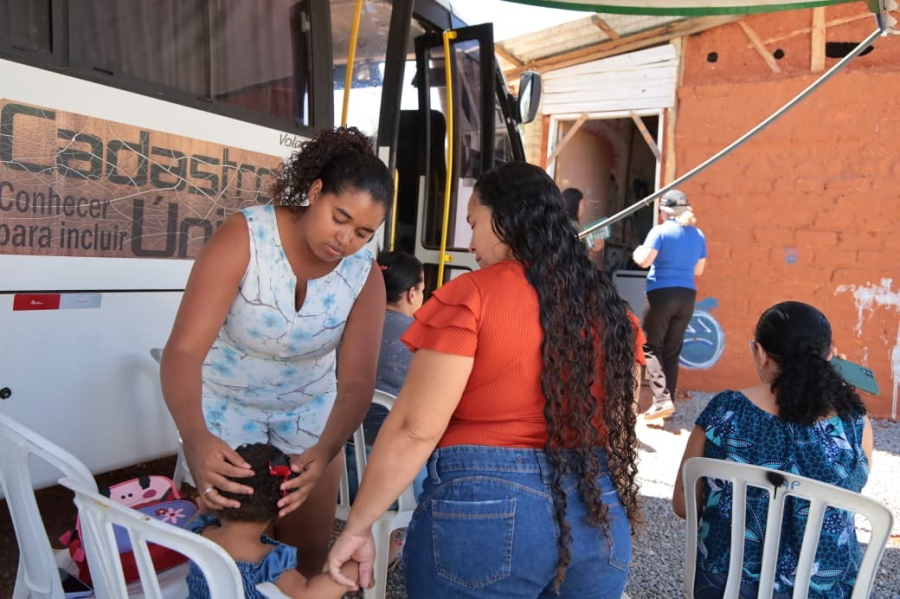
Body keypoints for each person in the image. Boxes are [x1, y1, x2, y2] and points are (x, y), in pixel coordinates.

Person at [327, 162, 644, 598]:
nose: (472, 243)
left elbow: (415, 428)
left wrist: (358, 526)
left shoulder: (472, 295)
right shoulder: (613, 310)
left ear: (505, 219)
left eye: (474, 224)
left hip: (484, 512)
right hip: (598, 511)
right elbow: (624, 413)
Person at [160, 126, 393, 578]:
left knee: (304, 555)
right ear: (316, 191)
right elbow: (184, 351)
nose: (345, 240)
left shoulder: (365, 274)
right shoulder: (245, 236)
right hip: (224, 411)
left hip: (310, 415)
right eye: (339, 217)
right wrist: (196, 435)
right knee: (223, 555)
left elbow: (359, 382)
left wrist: (325, 451)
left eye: (364, 232)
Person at [672, 302, 873, 598]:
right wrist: (840, 389)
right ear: (830, 355)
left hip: (727, 587)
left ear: (762, 353)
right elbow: (852, 489)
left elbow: (684, 504)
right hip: (823, 590)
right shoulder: (854, 421)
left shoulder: (725, 411)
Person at [185, 443, 362, 598]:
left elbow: (202, 513)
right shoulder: (269, 562)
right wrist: (353, 567)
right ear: (282, 510)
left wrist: (206, 507)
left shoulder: (201, 530)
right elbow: (308, 595)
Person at [347, 250, 427, 502]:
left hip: (339, 473)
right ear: (412, 293)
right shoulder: (424, 340)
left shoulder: (344, 329)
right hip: (397, 481)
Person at [632, 189, 706, 420]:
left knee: (652, 347)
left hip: (661, 292)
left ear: (664, 211)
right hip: (687, 295)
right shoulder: (698, 235)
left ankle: (662, 400)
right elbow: (699, 270)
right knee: (672, 351)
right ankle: (667, 405)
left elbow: (645, 261)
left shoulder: (660, 231)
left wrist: (637, 252)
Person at [563, 187, 604, 254]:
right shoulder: (571, 230)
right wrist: (593, 250)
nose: (584, 208)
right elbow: (575, 258)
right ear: (574, 205)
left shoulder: (562, 224)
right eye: (582, 204)